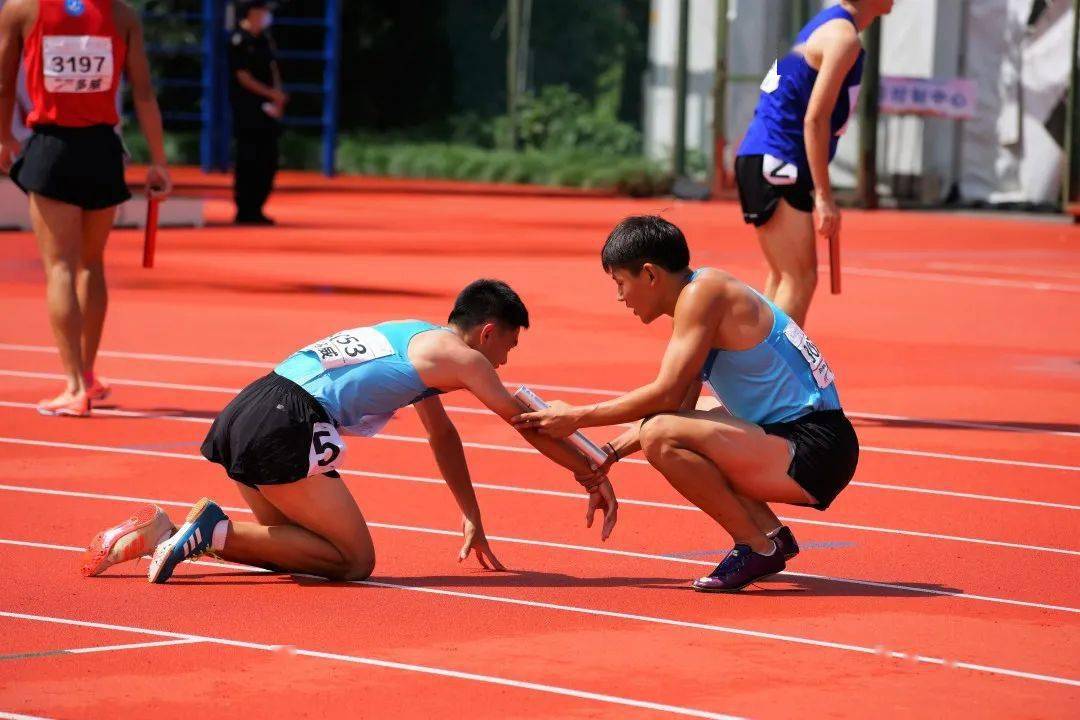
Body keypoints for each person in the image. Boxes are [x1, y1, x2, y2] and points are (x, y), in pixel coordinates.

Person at [81, 280, 618, 583]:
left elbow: (443, 437)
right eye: (509, 347)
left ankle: (166, 531)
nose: (504, 362)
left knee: (298, 553)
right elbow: (523, 423)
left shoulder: (418, 337)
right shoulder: (464, 358)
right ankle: (213, 529)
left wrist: (471, 516)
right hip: (285, 423)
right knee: (354, 562)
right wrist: (588, 471)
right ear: (488, 332)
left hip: (251, 405)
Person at [512, 217, 859, 592]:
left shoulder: (702, 297)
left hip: (815, 448)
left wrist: (577, 416)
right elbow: (676, 406)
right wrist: (606, 455)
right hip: (807, 440)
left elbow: (663, 401)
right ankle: (771, 533)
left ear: (649, 274)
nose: (619, 297)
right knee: (692, 418)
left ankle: (757, 547)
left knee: (663, 437)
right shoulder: (702, 292)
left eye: (619, 283)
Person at [0, 0, 172, 417]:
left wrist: (4, 136)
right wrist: (158, 160)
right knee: (91, 265)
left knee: (60, 266)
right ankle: (89, 377)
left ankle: (74, 385)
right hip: (102, 150)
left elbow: (3, 85)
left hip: (51, 147)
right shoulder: (121, 14)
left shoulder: (23, 9)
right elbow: (144, 92)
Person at [735, 0, 893, 326]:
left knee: (783, 278)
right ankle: (778, 373)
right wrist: (824, 196)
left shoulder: (826, 25)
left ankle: (759, 367)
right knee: (799, 278)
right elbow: (816, 120)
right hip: (778, 159)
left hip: (765, 156)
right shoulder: (842, 38)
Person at [228, 0, 285, 225]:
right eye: (262, 11)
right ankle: (245, 208)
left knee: (268, 158)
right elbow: (243, 77)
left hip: (268, 110)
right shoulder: (239, 40)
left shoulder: (265, 39)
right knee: (248, 158)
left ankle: (258, 206)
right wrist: (270, 94)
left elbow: (273, 69)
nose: (266, 15)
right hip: (248, 109)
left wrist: (277, 97)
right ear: (252, 12)